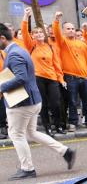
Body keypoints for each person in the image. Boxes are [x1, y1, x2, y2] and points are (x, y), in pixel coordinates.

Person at [0, 23, 76, 180]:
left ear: (2, 38)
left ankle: (27, 169)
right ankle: (65, 152)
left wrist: (1, 87)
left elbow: (21, 78)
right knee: (31, 133)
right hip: (32, 101)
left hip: (22, 103)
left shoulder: (14, 54)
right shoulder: (19, 50)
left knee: (16, 134)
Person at [20, 8, 65, 136]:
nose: (39, 34)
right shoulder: (31, 45)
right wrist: (26, 16)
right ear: (33, 35)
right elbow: (24, 31)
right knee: (43, 104)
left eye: (41, 32)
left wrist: (61, 79)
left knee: (56, 103)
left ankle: (58, 125)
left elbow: (56, 65)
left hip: (52, 78)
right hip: (38, 78)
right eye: (36, 32)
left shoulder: (50, 46)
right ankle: (47, 127)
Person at [53, 12, 87, 130]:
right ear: (64, 31)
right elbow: (56, 33)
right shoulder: (62, 42)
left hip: (84, 78)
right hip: (70, 77)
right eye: (68, 29)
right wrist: (56, 20)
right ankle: (73, 122)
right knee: (72, 101)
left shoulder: (82, 44)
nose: (71, 30)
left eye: (72, 28)